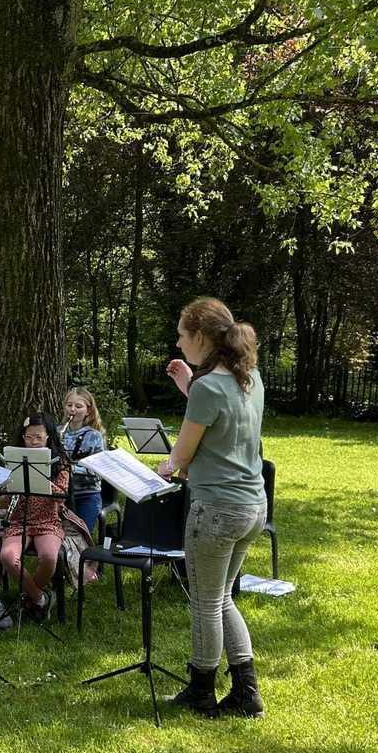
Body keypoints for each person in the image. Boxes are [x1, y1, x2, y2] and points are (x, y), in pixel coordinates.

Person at [156, 297, 267, 719]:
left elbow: (180, 458)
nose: (179, 343)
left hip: (216, 510)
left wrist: (164, 466)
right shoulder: (249, 378)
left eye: (183, 335)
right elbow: (223, 421)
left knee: (205, 602)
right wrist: (188, 384)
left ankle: (201, 690)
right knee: (222, 597)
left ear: (200, 337)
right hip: (251, 506)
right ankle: (246, 691)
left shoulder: (207, 388)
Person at [0, 414, 69, 621]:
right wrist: (5, 490)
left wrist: (42, 481)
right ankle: (40, 598)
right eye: (29, 437)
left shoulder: (60, 461)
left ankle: (29, 597)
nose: (33, 442)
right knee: (8, 557)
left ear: (48, 437)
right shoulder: (14, 461)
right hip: (19, 520)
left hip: (47, 520)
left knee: (48, 557)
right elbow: (3, 503)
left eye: (38, 437)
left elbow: (63, 494)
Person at [60, 387, 106, 536]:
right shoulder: (56, 432)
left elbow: (99, 472)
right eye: (69, 405)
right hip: (61, 495)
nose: (72, 409)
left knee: (80, 536)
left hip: (87, 494)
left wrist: (71, 469)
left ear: (88, 410)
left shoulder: (94, 436)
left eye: (78, 406)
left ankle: (84, 558)